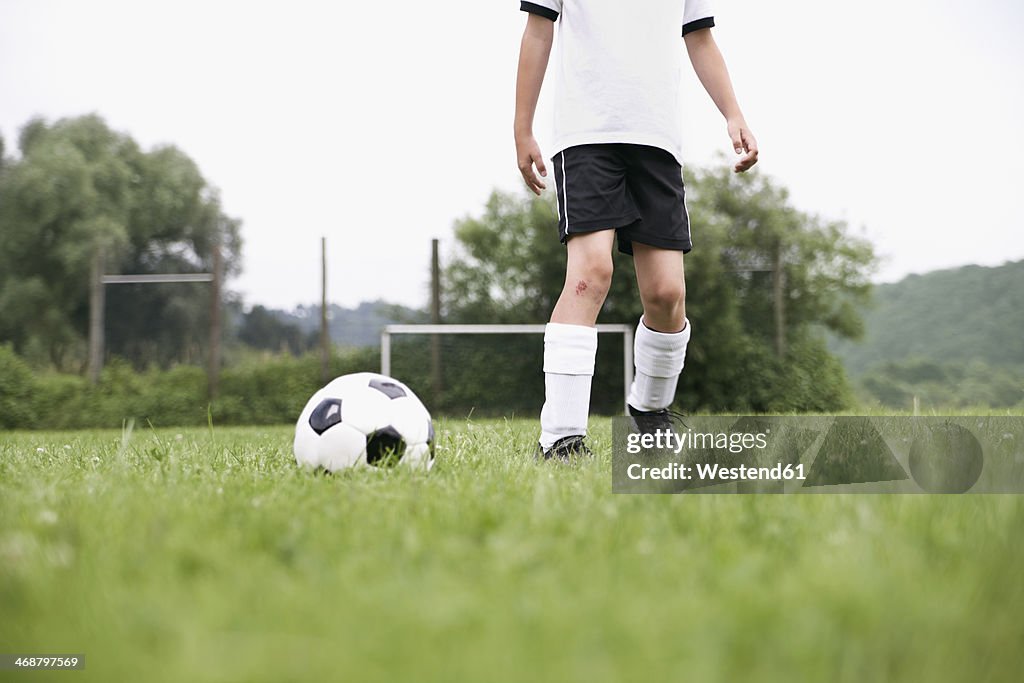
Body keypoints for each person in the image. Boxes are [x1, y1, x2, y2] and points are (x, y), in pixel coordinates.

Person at [514, 0, 759, 459]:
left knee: (667, 295)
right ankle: (561, 439)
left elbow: (700, 37)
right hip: (586, 133)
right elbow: (537, 31)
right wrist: (522, 127)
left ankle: (649, 416)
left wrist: (734, 113)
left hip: (657, 140)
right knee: (591, 273)